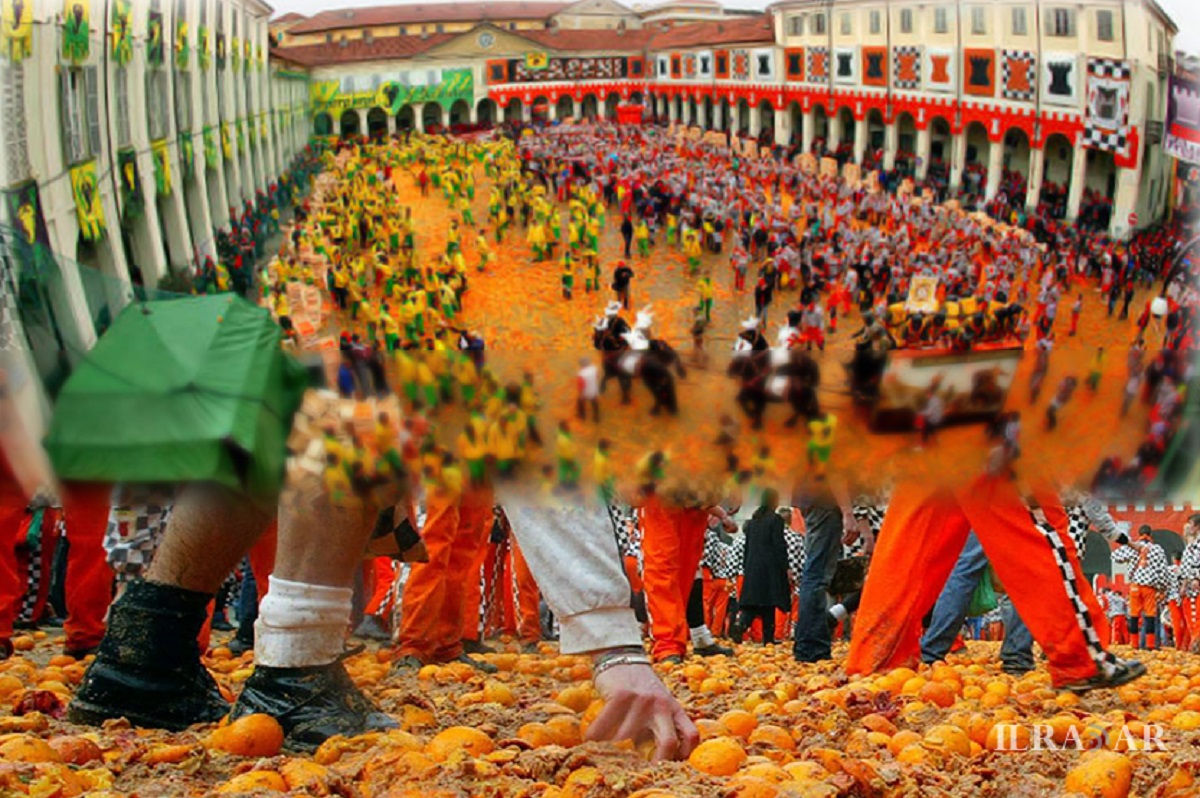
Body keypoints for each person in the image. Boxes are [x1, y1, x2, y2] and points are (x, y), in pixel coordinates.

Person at [793, 478, 865, 663]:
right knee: (817, 575)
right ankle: (812, 647)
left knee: (815, 573)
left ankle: (808, 644)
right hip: (824, 499)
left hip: (811, 497)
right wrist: (848, 512)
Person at [730, 490, 789, 646]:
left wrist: (746, 565)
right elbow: (779, 544)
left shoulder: (753, 521)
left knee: (754, 602)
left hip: (752, 566)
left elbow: (748, 546)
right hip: (769, 568)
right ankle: (768, 638)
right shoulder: (775, 520)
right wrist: (785, 566)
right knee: (768, 602)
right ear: (774, 502)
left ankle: (741, 625)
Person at [1112, 525, 1169, 650]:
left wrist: (1130, 558)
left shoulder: (1132, 546)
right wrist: (1163, 588)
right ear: (1150, 535)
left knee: (1134, 615)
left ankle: (1134, 644)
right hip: (1149, 586)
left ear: (1139, 534)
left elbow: (1114, 556)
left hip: (1135, 585)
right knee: (1150, 615)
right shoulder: (1157, 549)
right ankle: (1150, 645)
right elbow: (1163, 570)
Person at [576, 358, 600, 423]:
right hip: (594, 389)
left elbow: (581, 386)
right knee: (594, 402)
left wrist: (581, 394)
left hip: (586, 391)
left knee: (580, 402)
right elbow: (597, 376)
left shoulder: (581, 373)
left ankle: (582, 415)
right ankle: (596, 417)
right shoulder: (594, 368)